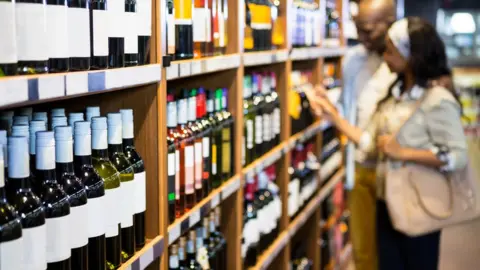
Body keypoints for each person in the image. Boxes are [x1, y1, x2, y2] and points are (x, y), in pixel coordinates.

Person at [311, 17, 468, 270]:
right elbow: (369, 142)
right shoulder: (394, 97)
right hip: (387, 203)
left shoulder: (437, 99)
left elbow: (457, 156)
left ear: (411, 57)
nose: (385, 57)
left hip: (420, 205)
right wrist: (333, 116)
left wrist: (404, 153)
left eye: (391, 51)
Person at [333, 1, 397, 269]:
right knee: (363, 252)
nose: (361, 37)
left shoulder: (404, 63)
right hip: (360, 168)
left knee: (393, 252)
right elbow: (348, 108)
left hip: (393, 171)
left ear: (390, 22)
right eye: (357, 29)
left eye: (368, 30)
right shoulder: (354, 59)